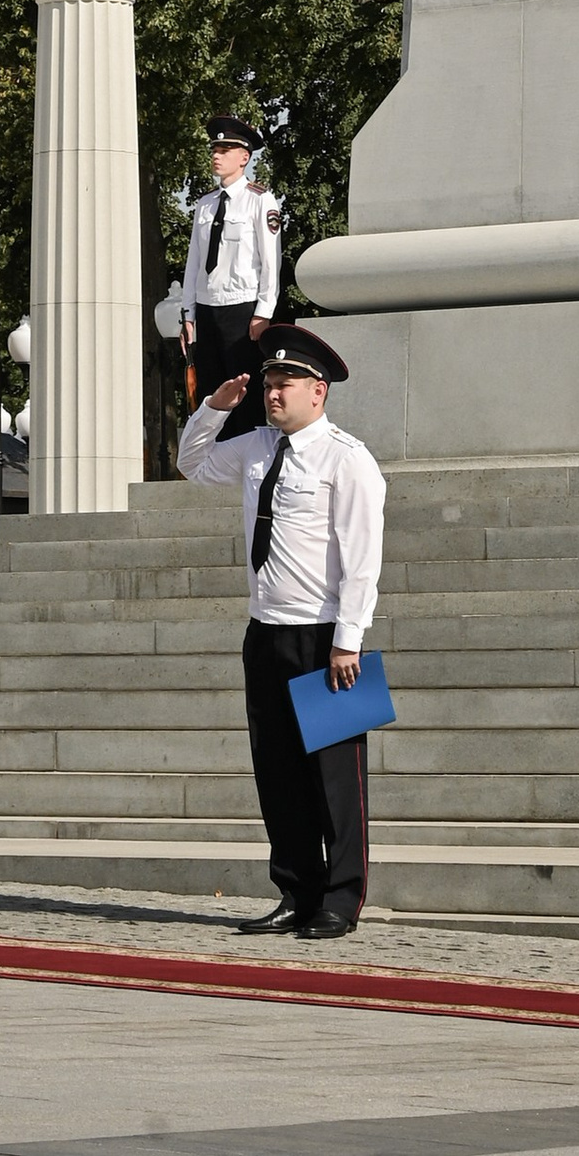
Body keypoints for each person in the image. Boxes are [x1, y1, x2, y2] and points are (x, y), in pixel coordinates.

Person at [179, 322, 385, 941]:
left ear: (318, 392)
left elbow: (362, 556)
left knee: (335, 779)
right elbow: (193, 466)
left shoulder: (348, 458)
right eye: (269, 382)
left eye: (286, 383)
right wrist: (214, 409)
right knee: (278, 773)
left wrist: (350, 638)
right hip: (266, 632)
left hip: (324, 638)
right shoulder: (257, 448)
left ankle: (341, 899)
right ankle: (296, 891)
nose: (274, 393)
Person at [180, 116, 282, 440]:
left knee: (246, 393)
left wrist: (264, 312)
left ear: (244, 157)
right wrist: (188, 315)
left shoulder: (260, 200)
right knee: (212, 396)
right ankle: (216, 471)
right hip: (208, 308)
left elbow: (270, 262)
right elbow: (193, 263)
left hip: (242, 309)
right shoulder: (204, 205)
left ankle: (248, 468)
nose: (217, 155)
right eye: (215, 149)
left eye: (225, 149)